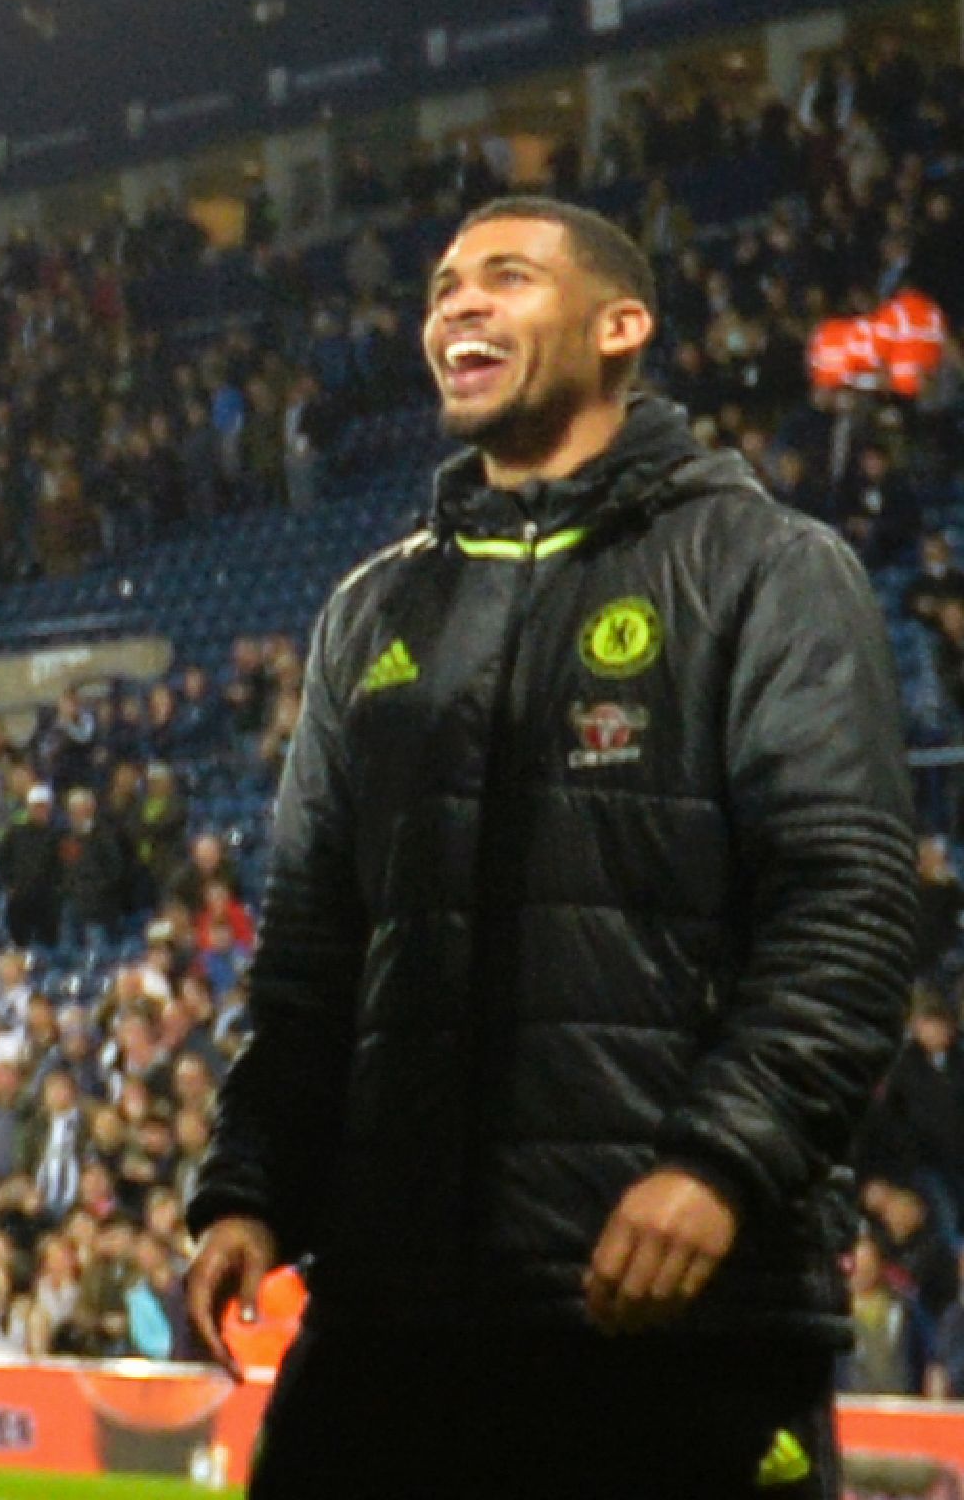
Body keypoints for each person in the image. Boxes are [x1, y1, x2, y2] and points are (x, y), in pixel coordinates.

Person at [181, 196, 921, 1498]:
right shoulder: (373, 610)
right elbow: (309, 944)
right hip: (391, 1324)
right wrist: (249, 1183)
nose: (454, 304)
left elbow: (847, 910)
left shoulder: (768, 571)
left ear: (620, 326)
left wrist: (718, 1163)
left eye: (506, 278)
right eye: (443, 286)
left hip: (675, 1323)